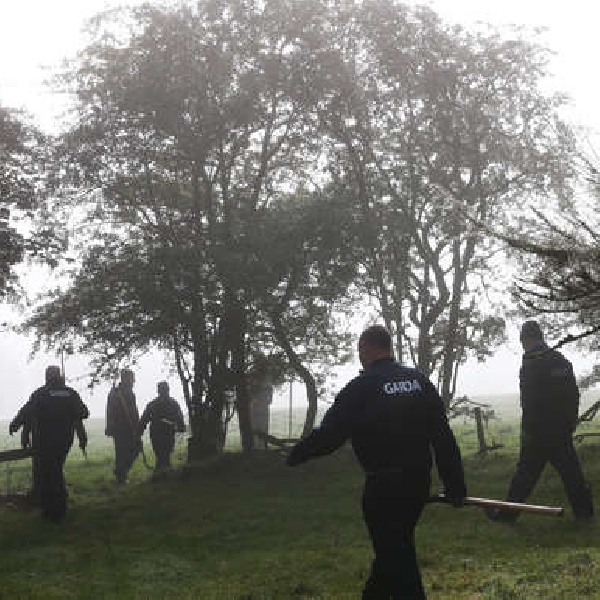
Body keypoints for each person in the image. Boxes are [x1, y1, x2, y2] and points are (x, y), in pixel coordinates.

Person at [286, 325, 466, 599]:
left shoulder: (361, 388)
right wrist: (455, 484)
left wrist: (297, 455)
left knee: (397, 559)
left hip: (383, 488)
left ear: (367, 348)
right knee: (392, 553)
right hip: (417, 483)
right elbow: (443, 438)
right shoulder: (419, 381)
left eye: (360, 351)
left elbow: (330, 436)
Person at [487, 320, 594, 523]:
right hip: (560, 430)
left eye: (522, 340)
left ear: (526, 339)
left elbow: (529, 402)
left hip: (537, 432)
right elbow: (573, 395)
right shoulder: (560, 360)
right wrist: (570, 423)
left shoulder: (532, 362)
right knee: (572, 475)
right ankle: (585, 515)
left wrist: (528, 431)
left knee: (524, 477)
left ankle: (507, 515)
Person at [9, 365, 89, 522]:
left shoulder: (41, 394)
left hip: (44, 441)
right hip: (64, 441)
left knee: (50, 475)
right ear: (59, 376)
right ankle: (52, 510)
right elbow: (83, 413)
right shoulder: (70, 393)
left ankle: (55, 512)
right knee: (54, 472)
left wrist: (15, 425)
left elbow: (26, 412)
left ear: (46, 377)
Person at [139, 381, 185, 471]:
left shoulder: (154, 404)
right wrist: (180, 427)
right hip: (162, 434)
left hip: (162, 434)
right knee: (163, 455)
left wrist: (139, 431)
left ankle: (162, 472)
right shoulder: (172, 403)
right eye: (163, 390)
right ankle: (163, 472)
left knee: (162, 455)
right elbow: (144, 420)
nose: (164, 392)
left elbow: (144, 420)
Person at [105, 368, 141, 483]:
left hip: (130, 428)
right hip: (121, 428)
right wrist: (111, 426)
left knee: (134, 450)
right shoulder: (116, 393)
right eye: (131, 378)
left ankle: (121, 472)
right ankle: (121, 476)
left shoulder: (129, 392)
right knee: (122, 453)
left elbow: (134, 411)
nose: (134, 381)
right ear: (125, 379)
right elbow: (111, 411)